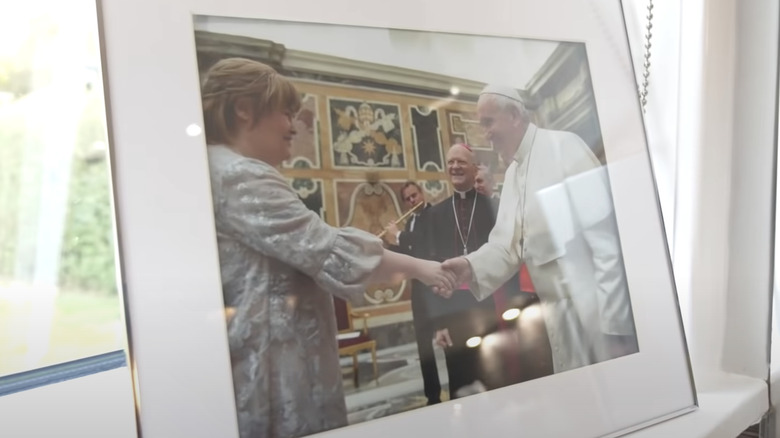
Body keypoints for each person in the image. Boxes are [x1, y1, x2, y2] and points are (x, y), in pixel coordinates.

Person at [200, 57, 455, 438]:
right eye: (286, 113)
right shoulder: (239, 174)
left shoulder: (217, 169)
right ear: (244, 109)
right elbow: (328, 250)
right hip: (273, 372)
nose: (295, 124)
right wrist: (426, 268)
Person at [442, 84, 638, 374]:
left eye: (488, 122)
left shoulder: (564, 147)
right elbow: (506, 248)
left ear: (513, 116)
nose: (486, 134)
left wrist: (615, 325)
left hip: (595, 311)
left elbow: (606, 241)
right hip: (557, 314)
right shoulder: (512, 174)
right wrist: (469, 266)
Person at [418, 143, 507, 398]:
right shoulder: (435, 215)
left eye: (461, 162)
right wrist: (439, 322)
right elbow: (431, 272)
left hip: (493, 307)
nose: (455, 167)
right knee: (461, 382)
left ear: (473, 167)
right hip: (453, 313)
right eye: (450, 162)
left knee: (497, 377)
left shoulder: (493, 207)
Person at [382, 182, 442, 405]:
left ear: (422, 194)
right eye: (407, 199)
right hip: (419, 291)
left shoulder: (434, 214)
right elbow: (409, 254)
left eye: (414, 195)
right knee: (423, 345)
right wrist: (387, 246)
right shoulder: (410, 221)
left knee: (448, 338)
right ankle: (432, 395)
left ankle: (460, 385)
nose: (412, 201)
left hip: (437, 287)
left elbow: (425, 247)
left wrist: (398, 236)